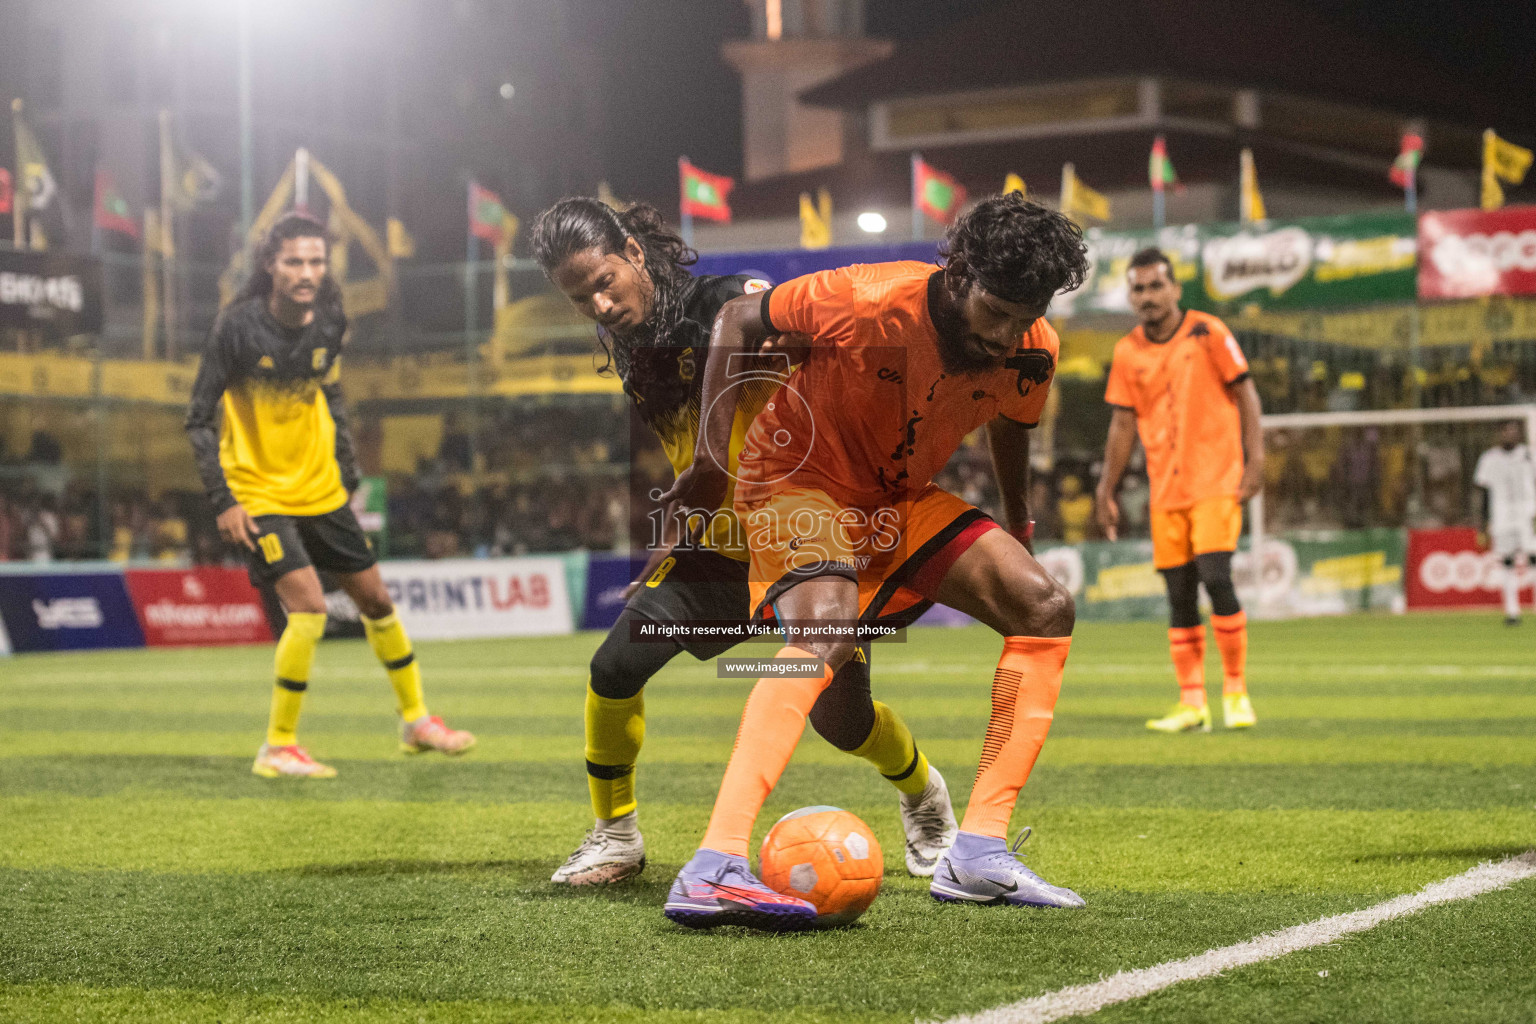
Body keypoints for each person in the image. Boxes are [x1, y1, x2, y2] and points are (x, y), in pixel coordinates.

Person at [661, 193, 1091, 929]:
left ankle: (978, 853)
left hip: (895, 501)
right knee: (823, 640)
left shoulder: (1031, 346)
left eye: (1027, 315)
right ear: (957, 274)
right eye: (997, 310)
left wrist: (1017, 516)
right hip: (795, 480)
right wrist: (708, 459)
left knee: (1043, 606)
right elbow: (736, 318)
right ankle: (715, 864)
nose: (1008, 333)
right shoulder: (864, 298)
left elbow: (1016, 423)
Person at [530, 197, 957, 885]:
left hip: (811, 545)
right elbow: (693, 464)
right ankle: (617, 836)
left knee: (841, 722)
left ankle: (924, 794)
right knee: (614, 668)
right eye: (583, 299)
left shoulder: (728, 301)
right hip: (723, 552)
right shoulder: (636, 349)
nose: (601, 305)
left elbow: (797, 327)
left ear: (635, 253)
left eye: (605, 281)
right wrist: (671, 546)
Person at [186, 212, 474, 779]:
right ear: (271, 263)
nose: (307, 272)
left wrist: (346, 464)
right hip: (259, 495)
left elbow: (331, 391)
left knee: (378, 603)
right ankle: (278, 746)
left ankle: (415, 721)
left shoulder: (331, 318)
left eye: (317, 260)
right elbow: (198, 419)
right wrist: (223, 499)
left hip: (321, 490)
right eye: (295, 260)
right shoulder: (236, 328)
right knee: (310, 610)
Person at [1095, 248, 1263, 734]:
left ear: (1175, 288)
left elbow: (1246, 393)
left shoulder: (1207, 331)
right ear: (1131, 295)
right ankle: (1193, 702)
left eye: (1155, 286)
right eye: (1139, 288)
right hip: (1165, 490)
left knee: (1217, 575)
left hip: (1215, 479)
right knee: (1179, 595)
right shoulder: (1127, 351)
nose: (1147, 296)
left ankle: (1235, 690)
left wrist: (1257, 460)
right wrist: (1106, 489)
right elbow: (1121, 426)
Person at [1474, 421, 1536, 625]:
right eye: (1507, 431)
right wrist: (1482, 524)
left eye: (1514, 431)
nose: (1511, 435)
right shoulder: (1489, 458)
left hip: (1528, 516)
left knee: (1533, 559)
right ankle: (1512, 612)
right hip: (1501, 518)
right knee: (1507, 562)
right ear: (1499, 433)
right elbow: (1482, 493)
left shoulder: (1528, 454)